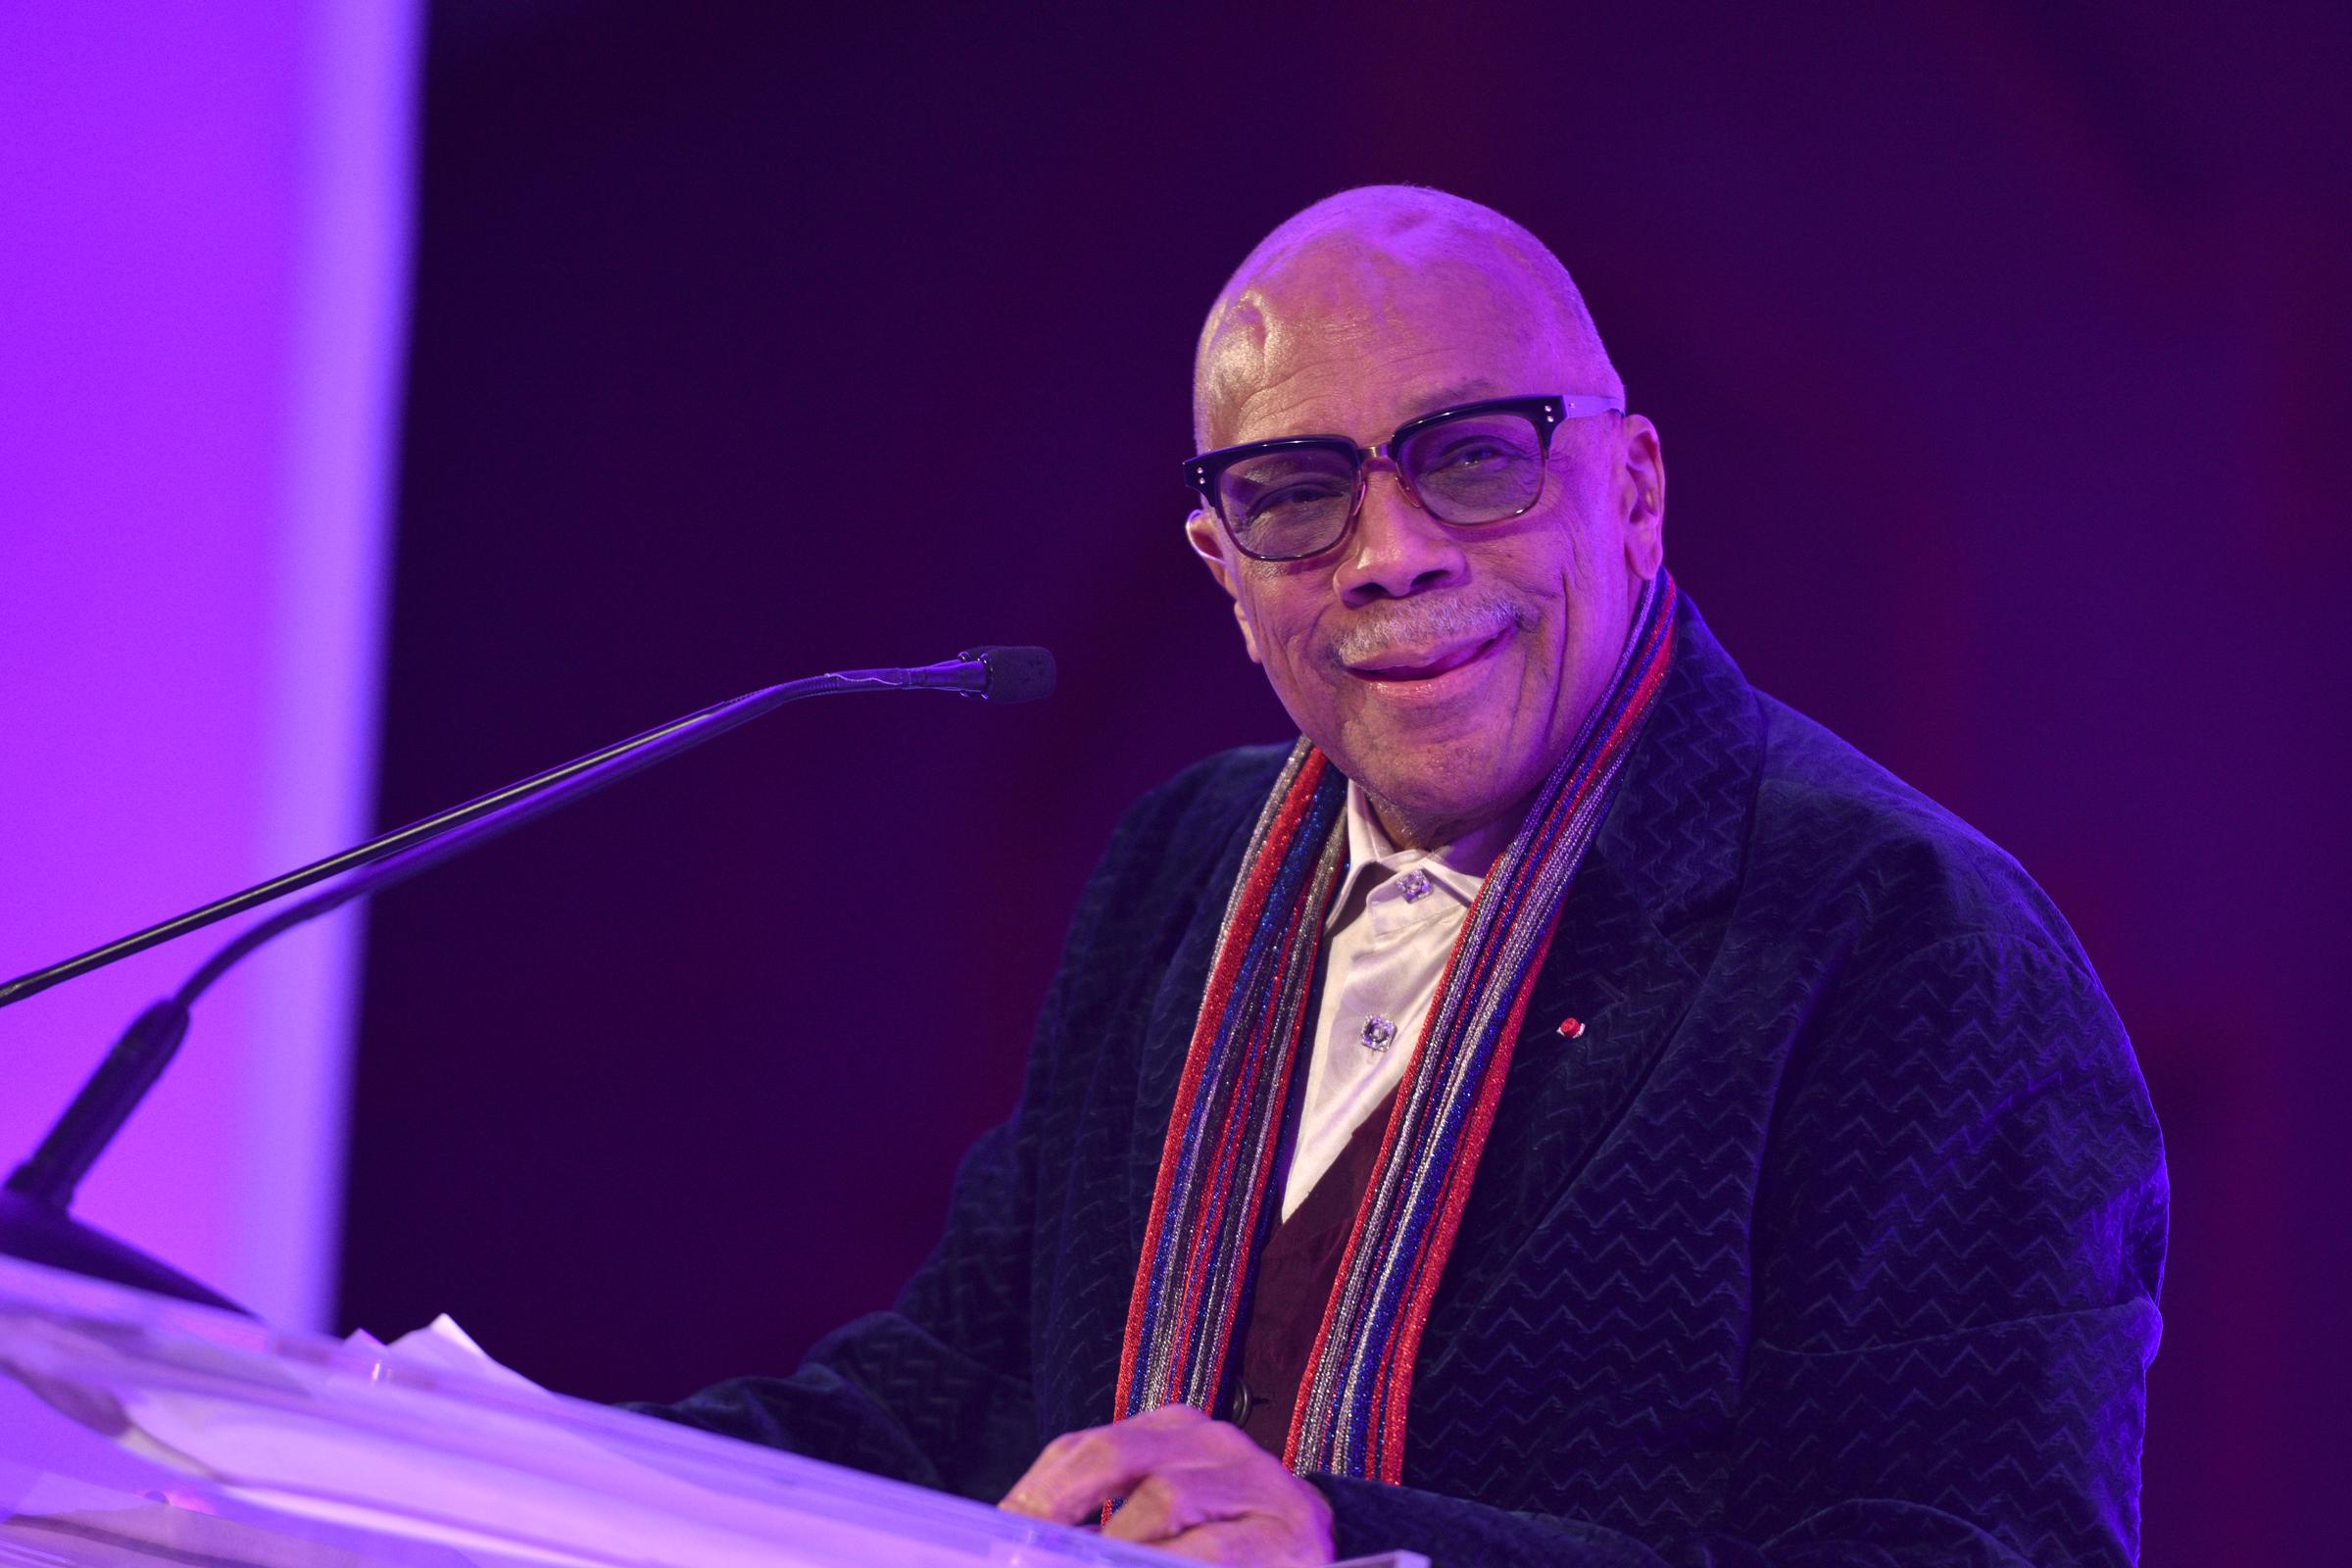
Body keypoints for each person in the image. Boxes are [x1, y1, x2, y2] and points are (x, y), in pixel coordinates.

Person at [638, 187, 2167, 1568]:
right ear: (1220, 570)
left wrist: (1348, 1553)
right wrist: (490, 1463)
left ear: (1634, 490)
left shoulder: (1910, 941)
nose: (1389, 555)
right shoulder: (1181, 869)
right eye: (1296, 494)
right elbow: (952, 1399)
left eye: (1475, 458)